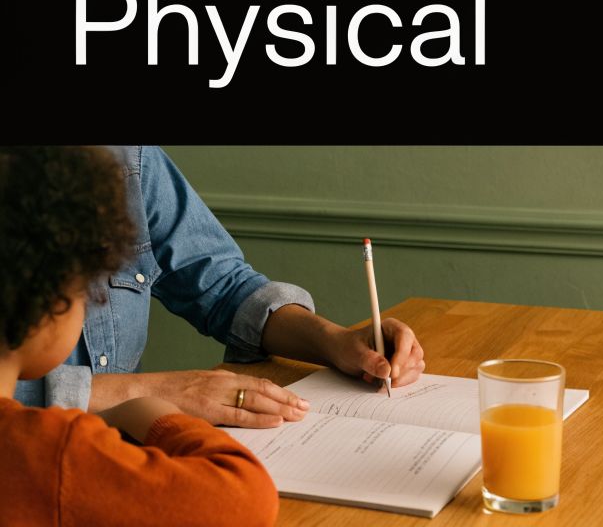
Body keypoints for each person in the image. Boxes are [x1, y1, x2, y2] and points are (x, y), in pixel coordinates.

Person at [13, 146, 427, 429]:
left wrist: (334, 340)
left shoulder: (126, 156)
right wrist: (149, 391)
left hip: (117, 458)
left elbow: (224, 286)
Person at [0, 146, 278, 525]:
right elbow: (246, 497)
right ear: (49, 302)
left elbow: (224, 283)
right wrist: (150, 410)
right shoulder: (50, 454)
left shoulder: (131, 157)